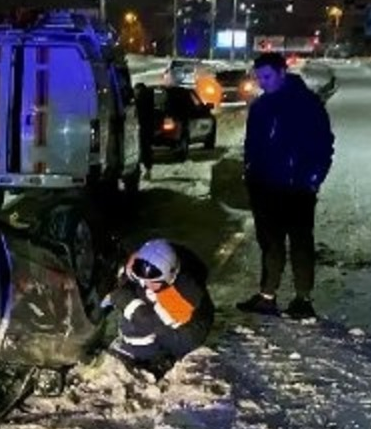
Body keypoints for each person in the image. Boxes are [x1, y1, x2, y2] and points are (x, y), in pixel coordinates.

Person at [237, 50, 335, 320]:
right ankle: (267, 296)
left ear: (282, 73)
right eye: (259, 78)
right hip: (264, 186)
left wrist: (313, 179)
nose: (262, 83)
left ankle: (303, 299)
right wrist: (250, 172)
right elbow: (252, 145)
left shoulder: (307, 103)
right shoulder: (260, 107)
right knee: (270, 243)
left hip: (298, 188)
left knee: (301, 243)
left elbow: (324, 145)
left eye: (267, 77)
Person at [104, 238, 215, 374]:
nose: (144, 283)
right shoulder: (161, 256)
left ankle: (151, 357)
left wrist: (124, 301)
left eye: (152, 282)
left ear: (170, 277)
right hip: (173, 298)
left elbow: (149, 321)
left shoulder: (185, 296)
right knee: (137, 299)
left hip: (187, 330)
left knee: (139, 319)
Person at [133, 83, 157, 180]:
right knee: (145, 150)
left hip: (142, 128)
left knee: (143, 150)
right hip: (145, 128)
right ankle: (147, 170)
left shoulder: (139, 101)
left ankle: (145, 170)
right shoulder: (149, 100)